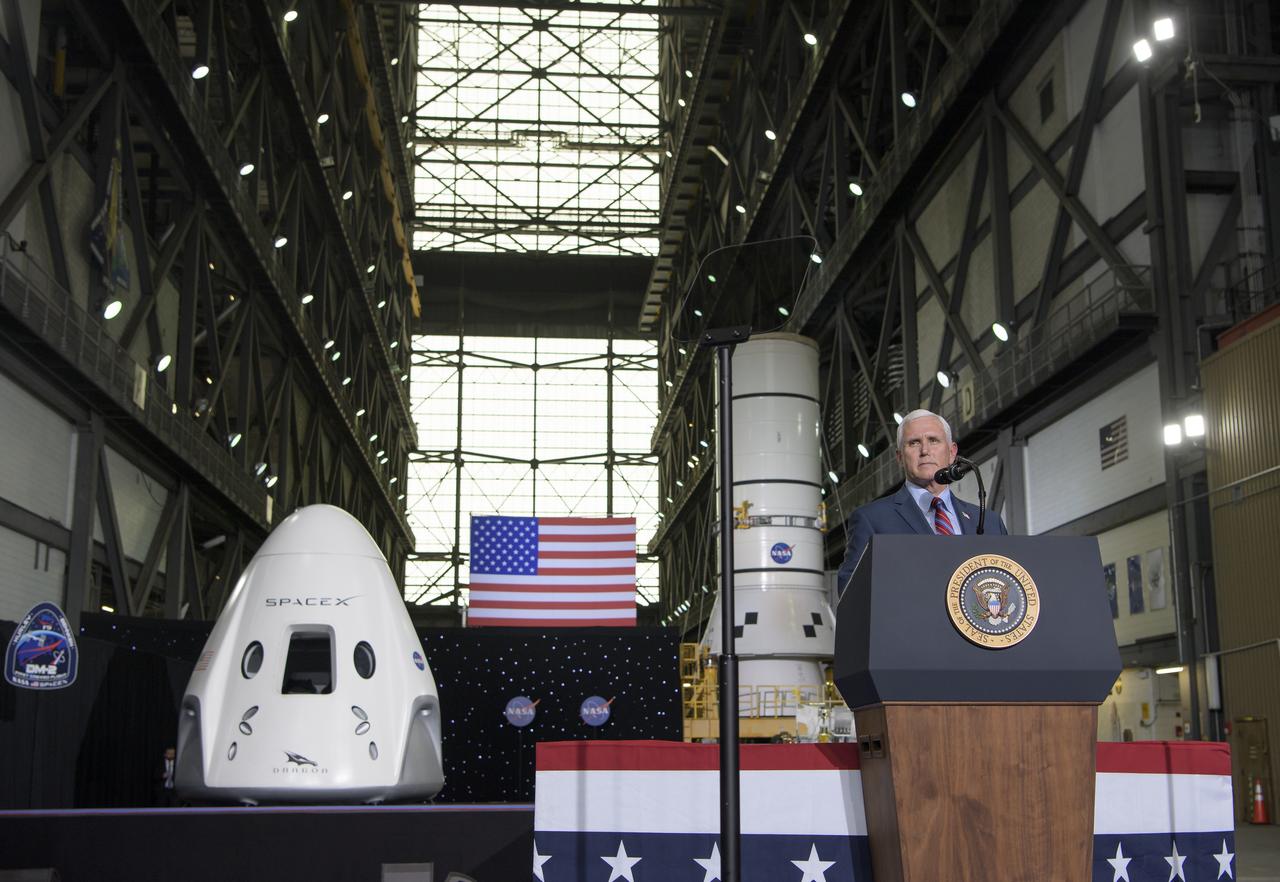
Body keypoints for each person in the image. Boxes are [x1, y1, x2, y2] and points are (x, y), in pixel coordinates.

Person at [835, 409, 1008, 596]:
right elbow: (850, 591)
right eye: (914, 443)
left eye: (933, 440)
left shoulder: (989, 522)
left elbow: (1009, 582)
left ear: (951, 452)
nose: (925, 451)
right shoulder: (872, 519)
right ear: (900, 457)